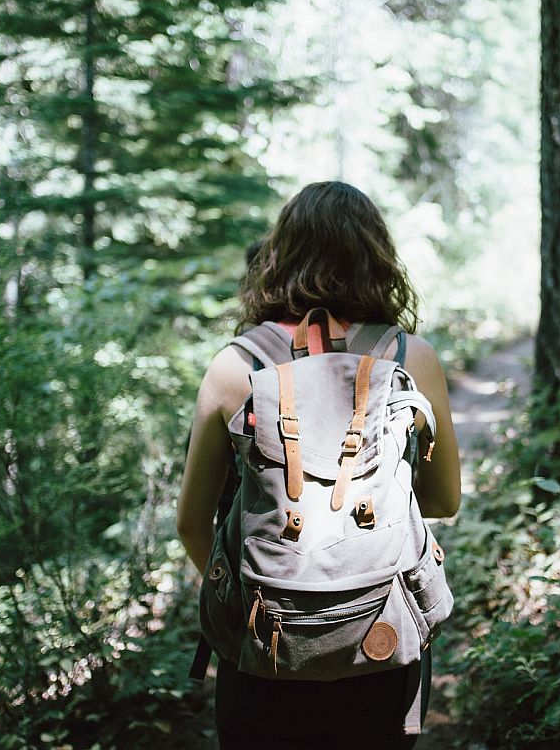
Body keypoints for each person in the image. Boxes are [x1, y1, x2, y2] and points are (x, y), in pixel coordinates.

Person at [177, 181, 461, 749]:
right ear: (376, 258)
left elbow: (192, 521)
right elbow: (443, 502)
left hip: (264, 646)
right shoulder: (411, 357)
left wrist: (255, 592)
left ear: (280, 255)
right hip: (380, 637)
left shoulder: (236, 366)